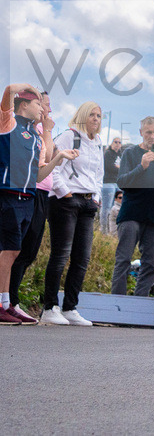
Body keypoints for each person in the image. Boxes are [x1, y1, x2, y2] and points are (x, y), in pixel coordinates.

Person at [1, 86, 75, 325]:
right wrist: (24, 89)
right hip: (7, 195)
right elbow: (8, 94)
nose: (43, 109)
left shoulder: (34, 136)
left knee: (14, 252)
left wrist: (58, 158)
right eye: (38, 105)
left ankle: (5, 303)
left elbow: (39, 174)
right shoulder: (9, 123)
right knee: (7, 250)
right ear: (24, 104)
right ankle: (2, 302)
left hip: (27, 197)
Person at [40, 101, 104, 326]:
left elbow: (99, 173)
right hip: (66, 202)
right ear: (82, 116)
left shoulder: (97, 142)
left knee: (81, 258)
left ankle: (70, 308)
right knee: (60, 255)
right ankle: (49, 307)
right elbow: (52, 165)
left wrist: (95, 197)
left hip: (88, 204)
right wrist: (64, 192)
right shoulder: (68, 136)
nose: (96, 119)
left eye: (99, 116)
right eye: (92, 115)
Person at [111, 117, 154, 298]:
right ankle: (117, 305)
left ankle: (139, 305)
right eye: (148, 132)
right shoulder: (130, 153)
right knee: (124, 260)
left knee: (149, 265)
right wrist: (141, 167)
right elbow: (122, 183)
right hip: (131, 214)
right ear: (141, 132)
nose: (152, 136)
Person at [8, 90, 60, 323]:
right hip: (26, 190)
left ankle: (11, 300)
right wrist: (48, 131)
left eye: (47, 105)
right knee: (15, 248)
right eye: (43, 104)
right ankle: (10, 300)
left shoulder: (39, 131)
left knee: (28, 251)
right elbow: (46, 157)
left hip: (41, 192)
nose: (47, 109)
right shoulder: (29, 129)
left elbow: (48, 161)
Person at [100, 137, 122, 233]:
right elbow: (109, 167)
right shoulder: (107, 153)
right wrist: (119, 168)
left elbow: (123, 167)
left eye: (119, 142)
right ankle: (104, 230)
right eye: (115, 142)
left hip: (117, 183)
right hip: (108, 183)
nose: (117, 144)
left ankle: (113, 230)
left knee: (116, 207)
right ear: (111, 143)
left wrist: (118, 167)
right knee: (106, 207)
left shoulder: (120, 155)